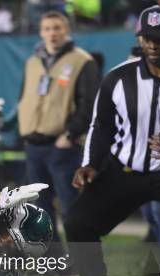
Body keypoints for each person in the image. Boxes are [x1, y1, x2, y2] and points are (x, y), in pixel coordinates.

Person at [65, 5, 160, 276]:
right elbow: (101, 125)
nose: (153, 45)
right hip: (125, 171)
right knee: (79, 222)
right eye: (147, 38)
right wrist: (89, 165)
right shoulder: (118, 77)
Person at [17, 10, 98, 258]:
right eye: (47, 28)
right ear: (41, 32)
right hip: (34, 144)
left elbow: (89, 104)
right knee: (40, 209)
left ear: (67, 30)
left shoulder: (82, 61)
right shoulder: (32, 62)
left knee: (70, 205)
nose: (52, 33)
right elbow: (25, 97)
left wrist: (71, 135)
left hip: (62, 145)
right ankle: (56, 260)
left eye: (57, 28)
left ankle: (84, 259)